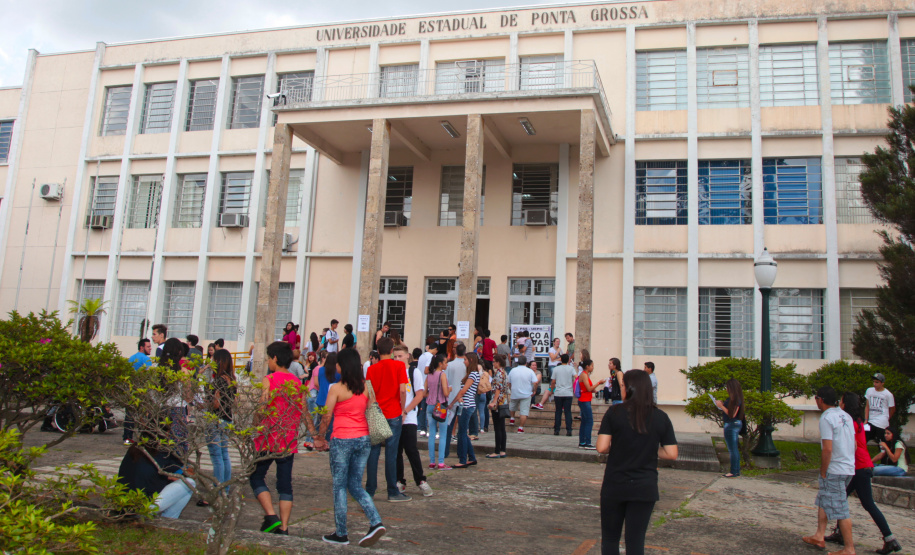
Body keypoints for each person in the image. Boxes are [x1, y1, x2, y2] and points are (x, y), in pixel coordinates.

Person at [596, 370, 678, 555]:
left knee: (610, 539)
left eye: (623, 385)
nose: (622, 389)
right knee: (635, 541)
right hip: (644, 487)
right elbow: (672, 453)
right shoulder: (660, 417)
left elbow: (602, 447)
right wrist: (649, 447)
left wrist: (619, 444)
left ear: (630, 388)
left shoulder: (614, 412)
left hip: (615, 484)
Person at [250, 341, 323, 535]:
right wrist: (314, 435)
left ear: (274, 358)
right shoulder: (296, 383)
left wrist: (254, 425)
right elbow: (305, 412)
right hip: (288, 440)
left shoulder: (269, 379)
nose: (268, 361)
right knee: (284, 484)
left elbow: (262, 406)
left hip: (267, 438)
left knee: (256, 476)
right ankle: (283, 527)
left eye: (268, 358)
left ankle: (271, 516)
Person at [319, 349, 387, 547]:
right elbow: (372, 410)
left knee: (339, 486)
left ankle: (341, 533)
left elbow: (326, 416)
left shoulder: (337, 388)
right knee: (355, 485)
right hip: (363, 439)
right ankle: (375, 521)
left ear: (343, 365)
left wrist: (319, 437)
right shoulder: (366, 387)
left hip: (342, 439)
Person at [824, 393, 902, 554]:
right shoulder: (858, 421)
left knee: (865, 503)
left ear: (845, 404)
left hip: (858, 467)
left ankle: (890, 539)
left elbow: (849, 445)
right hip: (862, 466)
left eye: (842, 401)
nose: (840, 403)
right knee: (844, 498)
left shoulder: (849, 422)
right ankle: (840, 533)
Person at [802, 386, 856, 555]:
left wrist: (823, 470)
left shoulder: (827, 418)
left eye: (816, 398)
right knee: (824, 498)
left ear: (821, 400)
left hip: (835, 468)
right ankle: (819, 535)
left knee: (841, 507)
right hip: (848, 466)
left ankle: (849, 548)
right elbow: (853, 444)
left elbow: (827, 448)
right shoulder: (845, 415)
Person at [365, 337, 410, 502]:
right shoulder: (398, 366)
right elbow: (403, 390)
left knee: (373, 453)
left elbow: (369, 394)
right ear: (392, 351)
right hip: (393, 413)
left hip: (377, 413)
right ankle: (392, 491)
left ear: (377, 351)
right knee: (391, 454)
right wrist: (403, 409)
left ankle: (370, 490)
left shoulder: (371, 369)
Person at [393, 345, 433, 496]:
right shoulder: (393, 372)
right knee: (396, 451)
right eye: (395, 356)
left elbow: (419, 395)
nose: (397, 359)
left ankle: (421, 480)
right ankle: (399, 481)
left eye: (400, 356)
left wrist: (406, 410)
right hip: (394, 417)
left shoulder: (413, 372)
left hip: (409, 417)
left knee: (411, 450)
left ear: (407, 356)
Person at [117, 443, 195, 519]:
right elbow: (190, 473)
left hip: (122, 504)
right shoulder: (163, 451)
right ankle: (169, 519)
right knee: (190, 482)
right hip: (144, 508)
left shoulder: (135, 448)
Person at [206, 349, 237, 494]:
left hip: (216, 418)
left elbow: (216, 404)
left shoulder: (218, 381)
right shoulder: (232, 379)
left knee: (216, 456)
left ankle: (217, 489)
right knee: (224, 454)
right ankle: (226, 487)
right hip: (227, 418)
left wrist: (206, 402)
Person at [450, 352, 481, 469]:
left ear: (471, 361)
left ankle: (463, 460)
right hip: (467, 405)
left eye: (466, 360)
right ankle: (471, 458)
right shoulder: (473, 374)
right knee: (462, 432)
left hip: (467, 406)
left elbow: (463, 391)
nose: (464, 362)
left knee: (462, 433)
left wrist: (453, 402)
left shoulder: (473, 374)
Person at [424, 354, 452, 469]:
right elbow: (445, 393)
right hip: (440, 405)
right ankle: (441, 462)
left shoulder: (429, 375)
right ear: (440, 364)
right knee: (443, 434)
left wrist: (431, 395)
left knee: (431, 434)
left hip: (430, 405)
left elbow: (424, 392)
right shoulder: (442, 375)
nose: (446, 364)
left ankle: (431, 461)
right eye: (445, 362)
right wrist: (450, 389)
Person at [124, 338, 153, 445]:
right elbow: (149, 375)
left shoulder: (131, 358)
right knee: (144, 414)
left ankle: (127, 437)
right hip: (142, 390)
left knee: (129, 414)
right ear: (142, 347)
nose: (150, 348)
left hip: (130, 389)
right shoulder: (146, 359)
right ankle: (143, 438)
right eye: (148, 346)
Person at [713, 378, 744, 478]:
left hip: (731, 425)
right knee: (733, 449)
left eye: (727, 387)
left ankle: (734, 471)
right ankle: (736, 470)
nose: (726, 389)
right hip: (733, 424)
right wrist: (722, 404)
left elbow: (732, 414)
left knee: (732, 449)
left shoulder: (735, 400)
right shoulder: (733, 399)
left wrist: (721, 406)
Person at [443, 342, 468, 459]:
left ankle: (445, 451)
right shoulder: (467, 366)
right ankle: (461, 452)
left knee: (448, 427)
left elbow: (446, 381)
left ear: (455, 351)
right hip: (464, 398)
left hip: (451, 398)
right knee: (462, 429)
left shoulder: (450, 365)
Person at [578, 359, 605, 449]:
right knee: (589, 421)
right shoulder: (584, 375)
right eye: (592, 366)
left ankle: (582, 442)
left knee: (585, 421)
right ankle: (587, 442)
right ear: (587, 366)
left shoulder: (585, 375)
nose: (593, 367)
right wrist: (598, 383)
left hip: (586, 399)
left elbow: (587, 388)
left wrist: (594, 390)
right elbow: (589, 388)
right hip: (584, 400)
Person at [486, 354, 510, 458]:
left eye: (494, 361)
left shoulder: (499, 373)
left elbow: (498, 389)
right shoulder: (503, 372)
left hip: (498, 402)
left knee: (498, 427)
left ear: (498, 362)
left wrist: (494, 402)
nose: (493, 363)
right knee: (501, 427)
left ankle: (497, 450)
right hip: (503, 401)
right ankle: (502, 450)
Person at [507, 356, 538, 433]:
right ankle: (520, 428)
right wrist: (534, 390)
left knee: (512, 406)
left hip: (515, 392)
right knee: (524, 411)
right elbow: (535, 382)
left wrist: (511, 389)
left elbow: (509, 382)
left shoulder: (513, 370)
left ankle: (512, 418)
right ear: (526, 363)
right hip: (526, 394)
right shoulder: (530, 371)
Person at [314, 352, 340, 441]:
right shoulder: (338, 374)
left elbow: (319, 383)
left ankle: (317, 438)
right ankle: (328, 440)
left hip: (321, 399)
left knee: (319, 421)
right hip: (332, 401)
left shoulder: (321, 370)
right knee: (331, 422)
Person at [865, 373, 896, 444]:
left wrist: (887, 417)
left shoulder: (888, 394)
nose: (874, 384)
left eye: (877, 382)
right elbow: (867, 406)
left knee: (882, 444)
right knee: (863, 439)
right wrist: (866, 419)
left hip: (882, 423)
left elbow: (892, 408)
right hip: (871, 421)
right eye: (874, 382)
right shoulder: (869, 390)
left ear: (882, 383)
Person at [551, 353, 575, 437]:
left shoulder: (556, 369)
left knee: (558, 411)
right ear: (568, 360)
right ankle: (569, 430)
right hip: (568, 393)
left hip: (558, 392)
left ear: (561, 359)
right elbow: (576, 377)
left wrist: (552, 390)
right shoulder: (571, 368)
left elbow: (553, 381)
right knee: (567, 411)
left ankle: (557, 429)